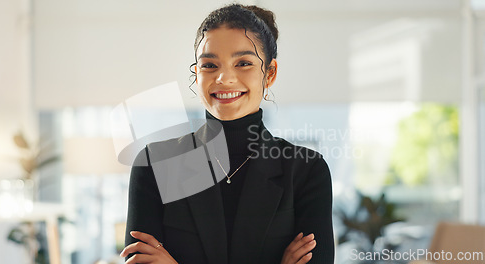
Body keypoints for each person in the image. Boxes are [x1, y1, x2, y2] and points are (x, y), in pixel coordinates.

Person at [120, 4, 334, 264]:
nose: (224, 78)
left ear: (270, 73)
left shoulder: (306, 170)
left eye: (243, 63)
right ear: (197, 74)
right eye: (209, 65)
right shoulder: (155, 164)